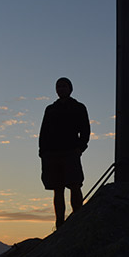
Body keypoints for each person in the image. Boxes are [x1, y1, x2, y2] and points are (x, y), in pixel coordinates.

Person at [38, 77, 91, 229]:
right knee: (57, 189)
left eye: (64, 86)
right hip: (52, 154)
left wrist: (80, 148)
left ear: (70, 88)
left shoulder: (78, 107)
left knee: (75, 185)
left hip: (70, 152)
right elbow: (44, 132)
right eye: (58, 86)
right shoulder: (50, 109)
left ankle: (78, 219)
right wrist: (43, 152)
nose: (61, 89)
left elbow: (85, 130)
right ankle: (59, 223)